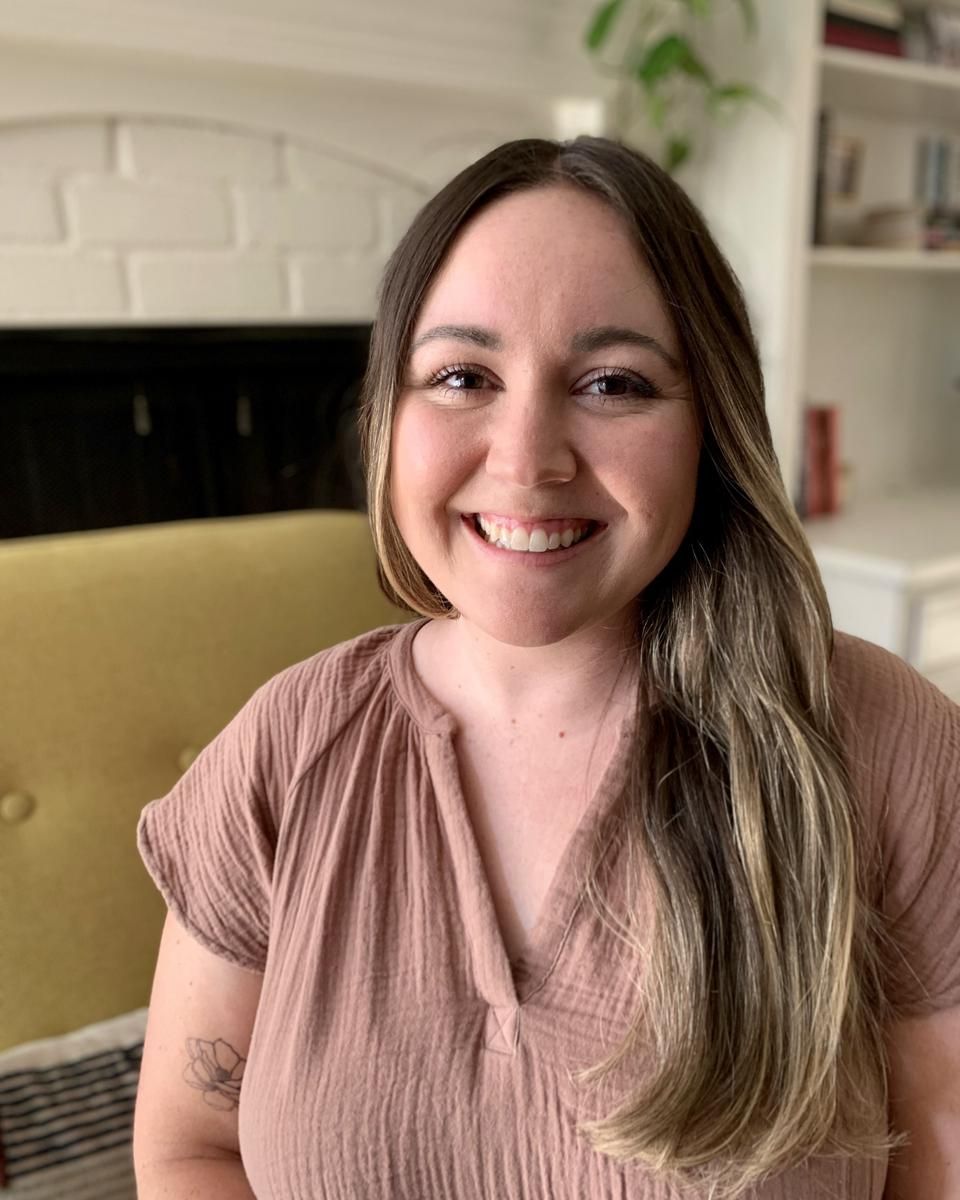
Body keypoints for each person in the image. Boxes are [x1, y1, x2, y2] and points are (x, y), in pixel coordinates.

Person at [131, 136, 960, 1200]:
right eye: (462, 376)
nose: (527, 460)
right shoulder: (285, 748)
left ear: (712, 424)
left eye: (613, 382)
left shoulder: (886, 746)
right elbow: (194, 1146)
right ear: (390, 418)